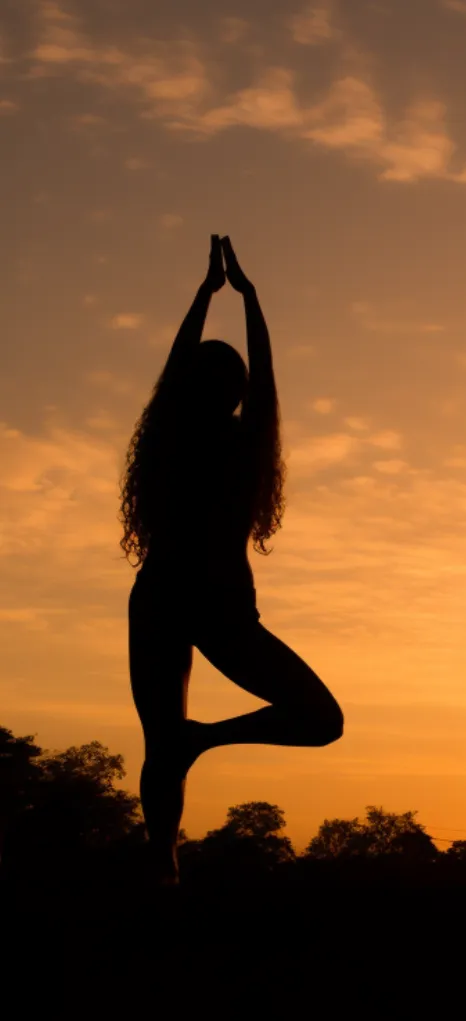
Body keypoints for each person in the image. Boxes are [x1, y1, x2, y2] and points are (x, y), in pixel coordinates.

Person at [123, 236, 343, 884]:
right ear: (237, 393)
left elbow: (176, 368)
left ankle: (165, 857)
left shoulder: (170, 433)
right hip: (210, 605)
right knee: (313, 719)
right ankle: (165, 858)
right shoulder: (238, 441)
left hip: (170, 597)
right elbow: (262, 377)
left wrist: (207, 298)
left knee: (165, 739)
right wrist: (248, 299)